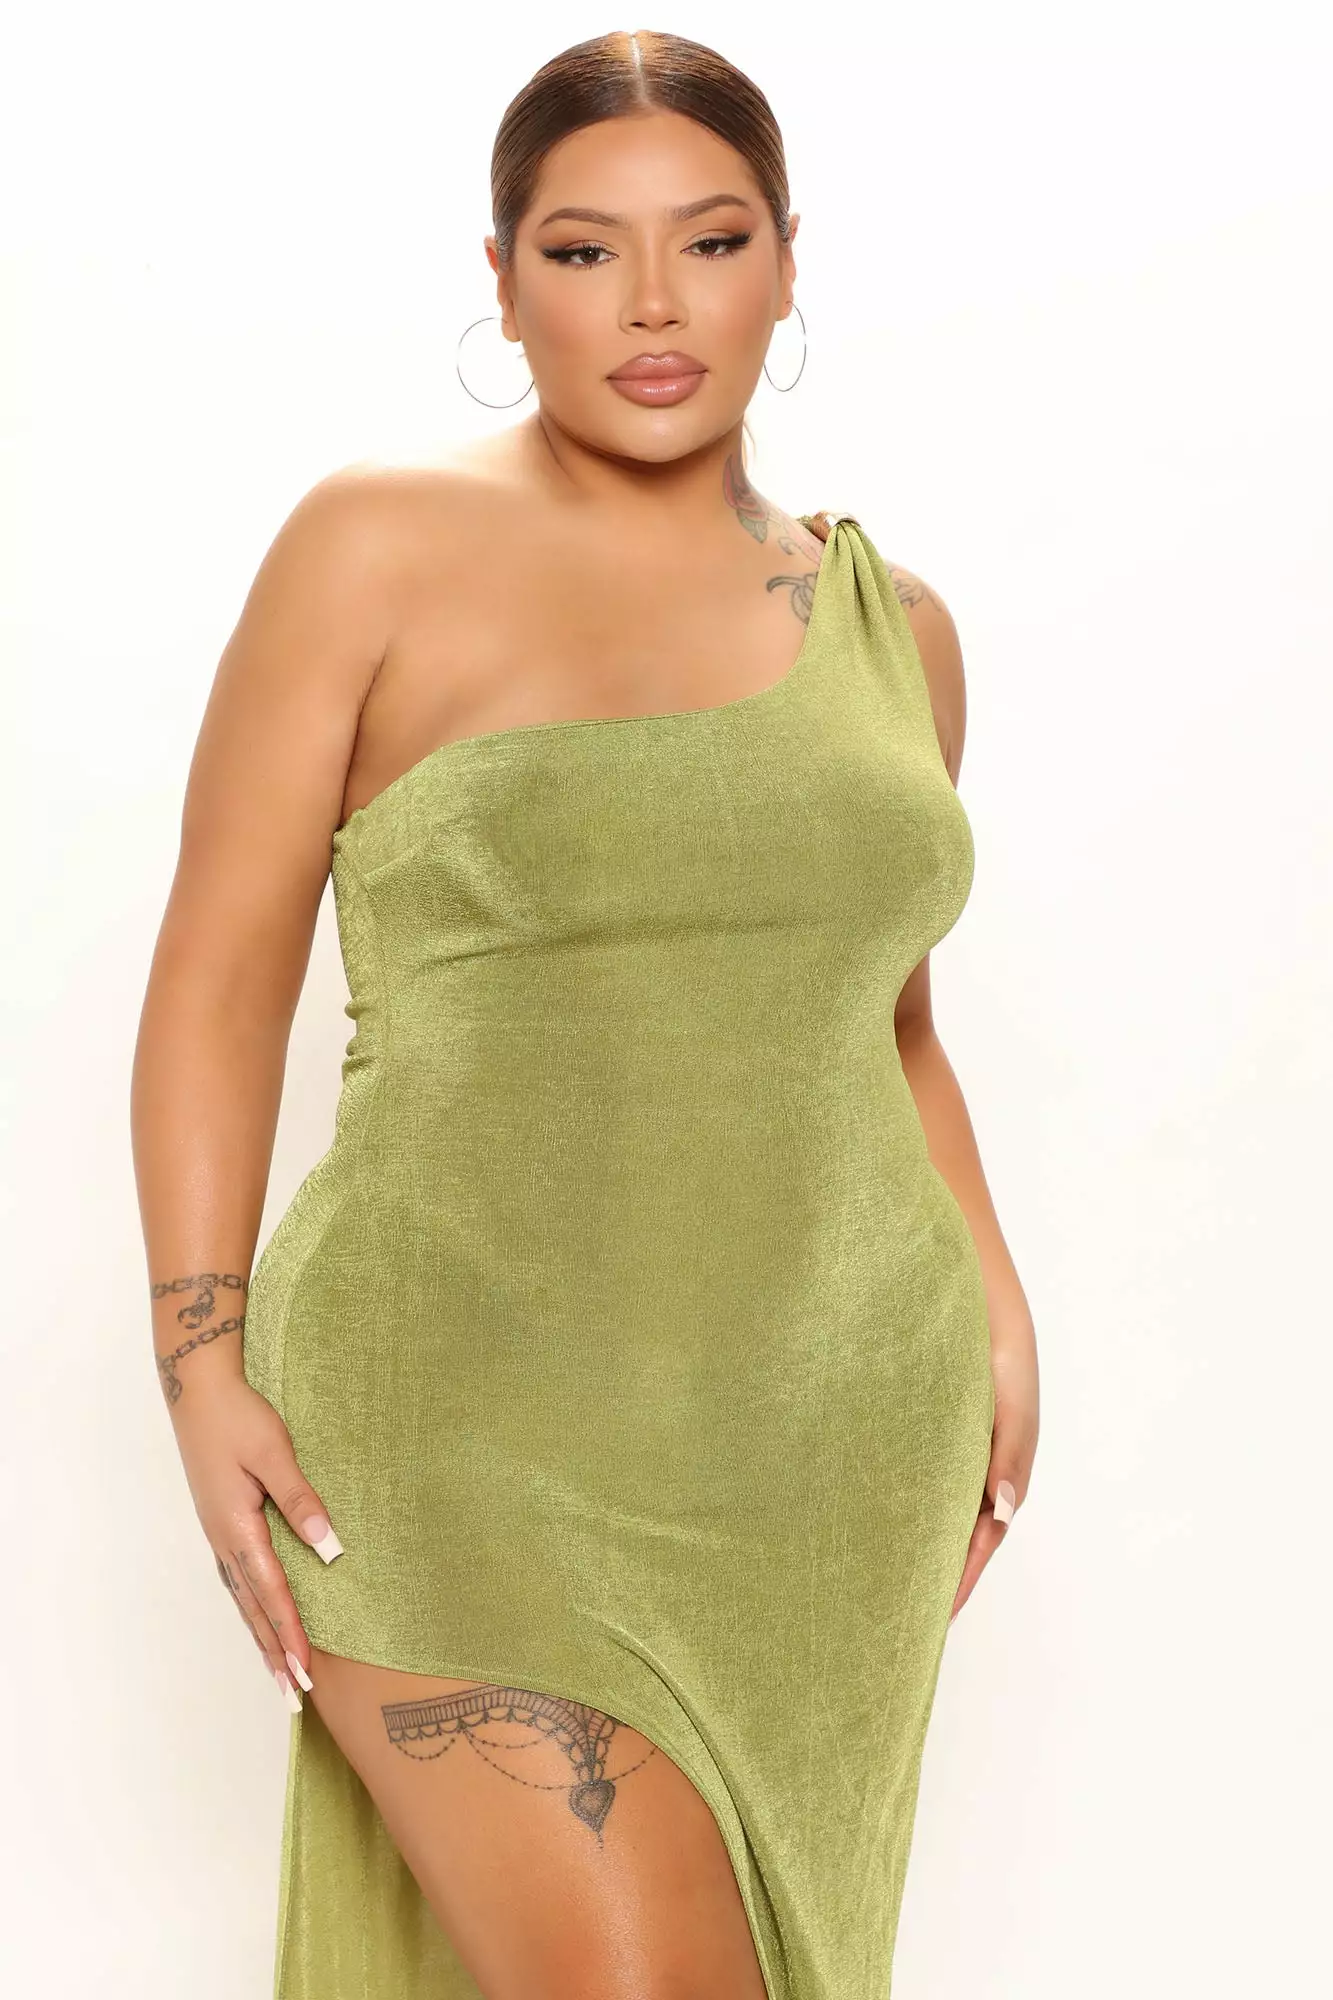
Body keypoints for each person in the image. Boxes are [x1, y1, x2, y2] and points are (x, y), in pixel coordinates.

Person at [130, 27, 1039, 2000]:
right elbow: (217, 973)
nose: (650, 304)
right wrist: (198, 1364)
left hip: (832, 1438)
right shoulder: (375, 545)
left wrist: (994, 1304)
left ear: (785, 265)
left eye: (709, 242)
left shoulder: (897, 632)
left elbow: (887, 1023)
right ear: (501, 277)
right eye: (580, 250)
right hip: (458, 1429)